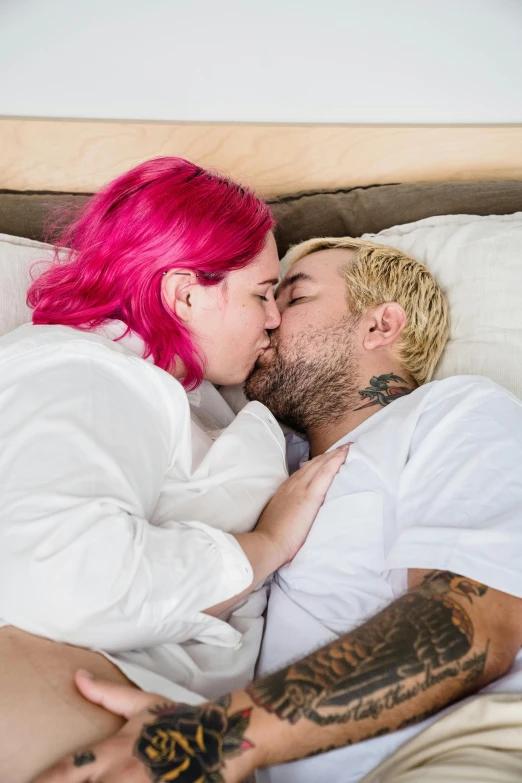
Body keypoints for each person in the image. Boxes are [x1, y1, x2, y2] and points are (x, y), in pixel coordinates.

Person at [39, 236, 522, 783]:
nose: (267, 319)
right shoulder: (264, 458)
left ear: (380, 326)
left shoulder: (457, 413)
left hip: (449, 750)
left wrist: (215, 734)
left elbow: (471, 629)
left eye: (293, 299)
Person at [0, 158, 350, 783]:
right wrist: (263, 546)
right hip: (64, 691)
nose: (274, 319)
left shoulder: (167, 385)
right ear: (185, 293)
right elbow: (65, 575)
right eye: (261, 293)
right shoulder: (84, 372)